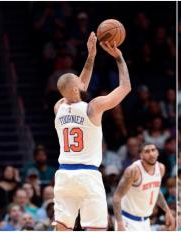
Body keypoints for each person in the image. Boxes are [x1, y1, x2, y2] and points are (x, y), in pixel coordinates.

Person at [53, 32, 131, 231]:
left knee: (62, 227)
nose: (83, 83)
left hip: (63, 175)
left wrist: (91, 56)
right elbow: (125, 87)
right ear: (75, 90)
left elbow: (79, 87)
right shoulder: (92, 107)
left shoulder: (59, 107)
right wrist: (119, 57)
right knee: (96, 229)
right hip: (87, 175)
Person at [113, 143, 175, 231]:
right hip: (127, 221)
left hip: (145, 222)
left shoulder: (161, 168)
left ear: (157, 153)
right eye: (147, 151)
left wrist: (168, 211)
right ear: (141, 155)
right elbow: (117, 197)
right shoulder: (133, 171)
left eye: (153, 150)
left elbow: (155, 191)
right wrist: (119, 224)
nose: (151, 154)